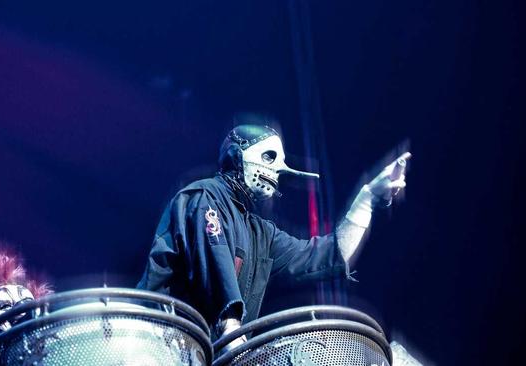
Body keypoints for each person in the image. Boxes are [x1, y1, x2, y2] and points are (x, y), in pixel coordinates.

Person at [137, 124, 409, 344]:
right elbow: (216, 259)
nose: (277, 169)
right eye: (269, 157)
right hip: (156, 345)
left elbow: (325, 256)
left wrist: (367, 199)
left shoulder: (260, 233)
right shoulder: (204, 197)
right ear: (236, 155)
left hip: (203, 353)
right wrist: (232, 330)